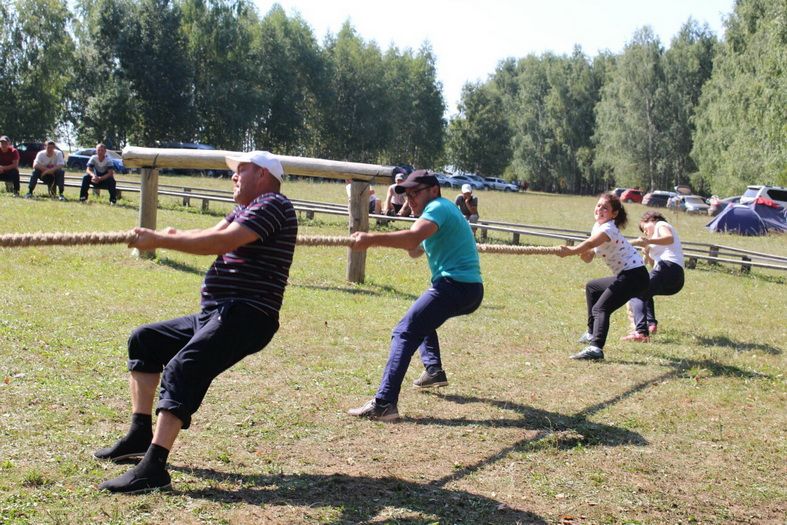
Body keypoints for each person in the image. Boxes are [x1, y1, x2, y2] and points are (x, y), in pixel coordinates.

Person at [95, 151, 297, 494]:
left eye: (241, 170)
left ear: (262, 174)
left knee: (182, 367)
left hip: (248, 313)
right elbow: (211, 231)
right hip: (217, 313)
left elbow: (218, 243)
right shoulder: (247, 208)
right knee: (145, 340)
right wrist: (169, 233)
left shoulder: (273, 203)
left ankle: (154, 468)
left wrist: (160, 240)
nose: (233, 176)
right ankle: (139, 436)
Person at [348, 170, 483, 420]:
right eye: (407, 196)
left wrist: (371, 239)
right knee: (421, 320)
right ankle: (433, 371)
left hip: (455, 285)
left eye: (415, 194)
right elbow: (416, 250)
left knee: (404, 331)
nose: (411, 200)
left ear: (433, 190)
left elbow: (411, 242)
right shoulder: (439, 212)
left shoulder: (438, 208)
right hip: (469, 290)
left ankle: (385, 403)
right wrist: (416, 235)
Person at [556, 192, 649, 360]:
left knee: (601, 308)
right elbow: (589, 256)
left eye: (605, 207)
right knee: (593, 287)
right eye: (598, 205)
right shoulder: (597, 227)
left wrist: (571, 251)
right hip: (627, 275)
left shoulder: (608, 229)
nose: (599, 209)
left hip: (634, 275)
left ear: (614, 214)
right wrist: (581, 253)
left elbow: (590, 244)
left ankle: (596, 348)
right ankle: (591, 333)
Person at [623, 211, 685, 342]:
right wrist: (647, 252)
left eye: (644, 228)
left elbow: (669, 238)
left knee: (636, 292)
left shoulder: (660, 224)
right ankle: (651, 324)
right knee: (646, 291)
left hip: (669, 267)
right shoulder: (655, 242)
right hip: (674, 277)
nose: (645, 233)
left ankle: (640, 332)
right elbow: (653, 267)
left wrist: (648, 240)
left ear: (651, 220)